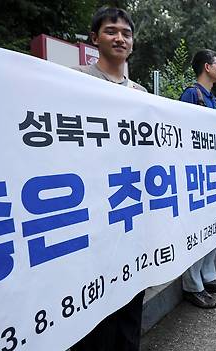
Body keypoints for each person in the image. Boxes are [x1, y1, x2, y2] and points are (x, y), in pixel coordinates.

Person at [70, 7, 145, 351]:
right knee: (96, 311)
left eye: (126, 33)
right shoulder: (73, 81)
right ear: (94, 38)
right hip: (92, 212)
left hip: (132, 207)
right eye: (111, 31)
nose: (119, 38)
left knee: (131, 300)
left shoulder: (142, 94)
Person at [178, 49, 216, 309]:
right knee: (198, 231)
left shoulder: (211, 99)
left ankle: (208, 276)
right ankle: (192, 286)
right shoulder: (192, 94)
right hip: (195, 176)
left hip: (211, 175)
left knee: (214, 228)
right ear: (207, 67)